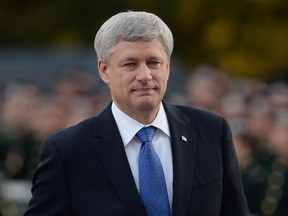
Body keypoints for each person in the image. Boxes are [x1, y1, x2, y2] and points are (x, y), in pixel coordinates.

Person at [24, 11, 249, 216]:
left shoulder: (211, 132)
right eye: (130, 64)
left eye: (153, 62)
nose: (145, 75)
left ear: (167, 67)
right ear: (104, 70)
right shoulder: (68, 151)